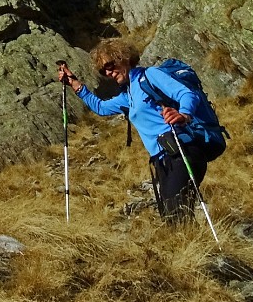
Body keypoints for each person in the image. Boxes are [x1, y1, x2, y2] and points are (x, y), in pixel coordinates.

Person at [57, 39, 225, 221]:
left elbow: (186, 94)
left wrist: (184, 114)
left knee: (176, 213)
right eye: (103, 71)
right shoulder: (127, 95)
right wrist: (75, 84)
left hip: (182, 150)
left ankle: (194, 247)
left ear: (124, 58)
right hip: (163, 161)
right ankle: (189, 247)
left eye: (110, 65)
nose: (108, 72)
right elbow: (101, 107)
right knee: (172, 215)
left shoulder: (150, 76)